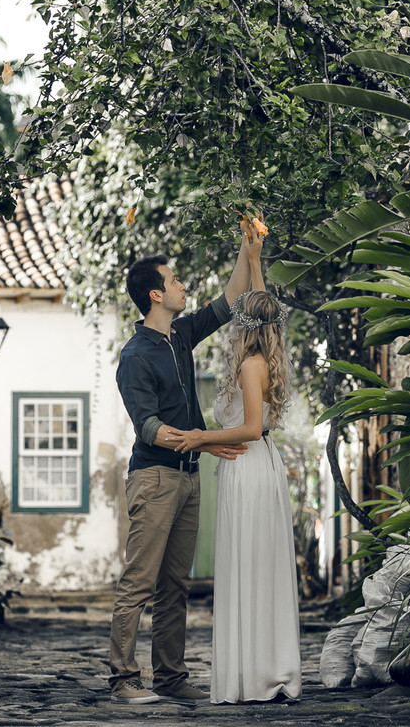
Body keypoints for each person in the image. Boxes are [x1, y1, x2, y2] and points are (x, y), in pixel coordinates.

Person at [109, 230, 257, 706]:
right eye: (174, 281)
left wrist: (248, 248)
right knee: (139, 582)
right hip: (154, 479)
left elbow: (230, 300)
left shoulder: (181, 335)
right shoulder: (135, 356)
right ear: (156, 294)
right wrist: (205, 441)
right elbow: (149, 427)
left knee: (175, 585)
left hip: (189, 479)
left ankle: (170, 678)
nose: (182, 286)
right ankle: (123, 679)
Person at [169, 224, 303, 704]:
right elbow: (260, 301)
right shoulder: (267, 357)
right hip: (259, 465)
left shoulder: (249, 366)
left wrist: (200, 437)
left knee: (249, 566)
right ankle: (265, 666)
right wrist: (254, 257)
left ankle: (254, 673)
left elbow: (249, 427)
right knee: (260, 566)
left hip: (247, 466)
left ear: (244, 326)